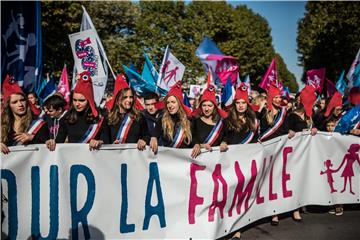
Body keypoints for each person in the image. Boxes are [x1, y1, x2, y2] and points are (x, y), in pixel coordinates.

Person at [258, 84, 288, 226]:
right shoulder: (263, 113)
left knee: (276, 182)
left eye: (279, 97)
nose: (277, 99)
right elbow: (260, 131)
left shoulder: (285, 112)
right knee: (264, 181)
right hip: (266, 151)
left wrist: (291, 132)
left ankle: (275, 213)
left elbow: (288, 129)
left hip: (280, 151)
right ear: (270, 98)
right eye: (275, 97)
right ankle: (263, 209)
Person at [287, 85, 318, 222]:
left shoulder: (311, 116)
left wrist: (315, 129)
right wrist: (290, 132)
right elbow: (285, 132)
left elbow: (319, 128)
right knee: (295, 180)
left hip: (307, 153)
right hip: (295, 153)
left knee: (304, 179)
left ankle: (302, 202)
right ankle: (295, 208)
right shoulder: (292, 116)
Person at [51, 71, 104, 150]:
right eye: (74, 100)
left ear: (89, 100)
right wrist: (51, 142)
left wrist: (99, 142)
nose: (77, 104)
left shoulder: (100, 117)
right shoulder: (67, 117)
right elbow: (58, 142)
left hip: (94, 158)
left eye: (81, 100)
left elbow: (107, 141)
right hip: (73, 159)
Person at [1, 75, 49, 154]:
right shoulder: (1, 124)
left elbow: (47, 151)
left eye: (22, 100)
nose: (20, 104)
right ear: (8, 105)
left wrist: (33, 138)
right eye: (15, 102)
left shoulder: (39, 124)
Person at [101, 75, 150, 150]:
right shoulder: (108, 117)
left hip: (134, 157)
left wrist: (144, 140)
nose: (129, 100)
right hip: (114, 157)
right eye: (125, 97)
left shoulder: (139, 116)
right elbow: (104, 140)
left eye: (131, 97)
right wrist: (112, 146)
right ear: (118, 98)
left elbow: (147, 135)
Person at [150, 83, 193, 154]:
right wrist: (153, 138)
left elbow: (194, 139)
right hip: (168, 161)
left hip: (184, 160)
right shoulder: (162, 120)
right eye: (168, 102)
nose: (170, 105)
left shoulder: (189, 120)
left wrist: (198, 144)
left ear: (179, 104)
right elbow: (154, 134)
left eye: (173, 102)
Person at [191, 85, 228, 158]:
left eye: (210, 105)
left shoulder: (222, 122)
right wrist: (200, 145)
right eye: (204, 105)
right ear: (201, 106)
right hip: (199, 160)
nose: (206, 109)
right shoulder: (195, 121)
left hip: (217, 161)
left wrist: (224, 142)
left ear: (214, 106)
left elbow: (226, 137)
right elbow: (190, 140)